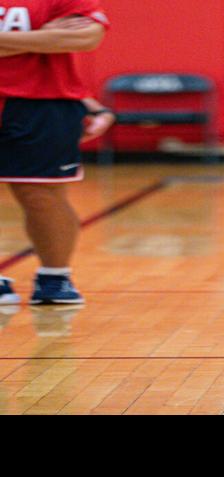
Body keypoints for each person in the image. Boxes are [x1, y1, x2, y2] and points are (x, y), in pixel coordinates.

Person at [0, 3, 115, 306]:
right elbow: (59, 40)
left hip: (41, 104)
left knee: (41, 194)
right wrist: (42, 38)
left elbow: (86, 37)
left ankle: (55, 277)